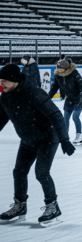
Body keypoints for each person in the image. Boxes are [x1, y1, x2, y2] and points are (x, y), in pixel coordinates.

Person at [0, 63, 75, 226]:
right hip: (28, 139)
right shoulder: (5, 97)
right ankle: (20, 205)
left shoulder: (34, 93)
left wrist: (65, 140)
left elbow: (56, 115)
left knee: (41, 172)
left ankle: (53, 207)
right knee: (19, 172)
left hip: (47, 138)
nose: (1, 84)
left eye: (4, 80)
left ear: (14, 80)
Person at [48, 59, 82, 146]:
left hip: (79, 98)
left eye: (61, 69)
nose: (59, 71)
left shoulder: (74, 73)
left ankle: (79, 136)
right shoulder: (58, 75)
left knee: (75, 117)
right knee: (65, 118)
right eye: (58, 69)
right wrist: (47, 98)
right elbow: (54, 87)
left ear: (66, 69)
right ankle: (64, 136)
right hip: (69, 99)